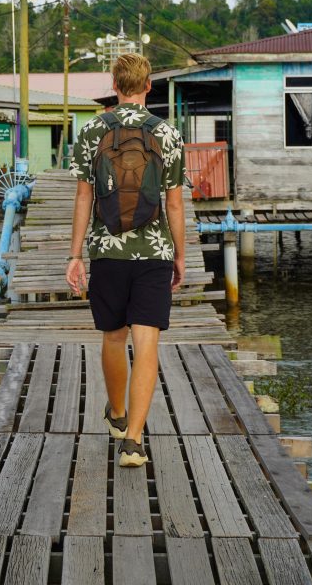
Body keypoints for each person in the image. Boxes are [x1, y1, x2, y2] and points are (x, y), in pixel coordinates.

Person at [66, 52, 186, 467]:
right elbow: (174, 203)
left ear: (114, 86)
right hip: (154, 252)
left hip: (107, 251)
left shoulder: (92, 131)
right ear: (148, 85)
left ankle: (116, 414)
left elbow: (84, 196)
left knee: (114, 336)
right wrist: (180, 255)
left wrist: (75, 254)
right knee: (147, 343)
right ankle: (133, 442)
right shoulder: (167, 134)